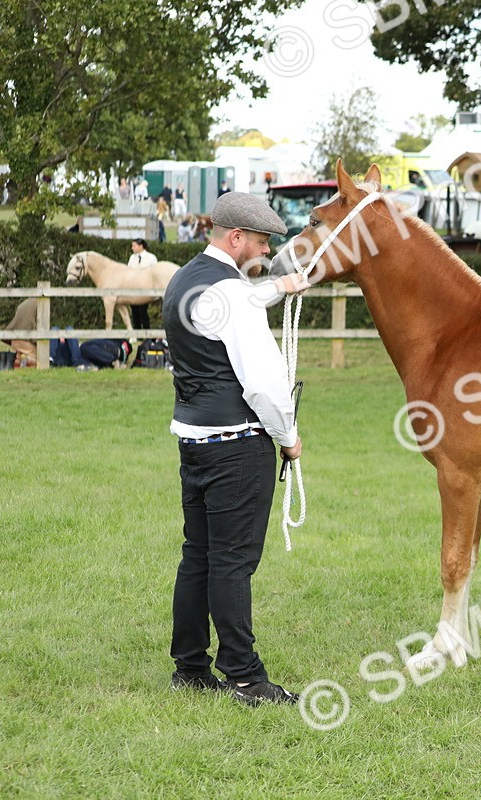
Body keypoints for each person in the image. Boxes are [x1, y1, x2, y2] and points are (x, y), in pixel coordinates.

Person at [162, 191, 310, 706]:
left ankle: (190, 667)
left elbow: (238, 301)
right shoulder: (234, 294)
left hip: (194, 440)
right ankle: (246, 677)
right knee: (232, 562)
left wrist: (281, 286)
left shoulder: (186, 279)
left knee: (198, 556)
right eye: (262, 243)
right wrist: (288, 439)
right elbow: (265, 385)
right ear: (236, 238)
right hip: (238, 445)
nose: (265, 253)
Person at [128, 239, 160, 329]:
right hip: (133, 289)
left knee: (143, 311)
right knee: (134, 312)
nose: (132, 248)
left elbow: (156, 273)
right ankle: (138, 334)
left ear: (140, 246)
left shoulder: (151, 258)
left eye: (134, 246)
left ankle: (147, 333)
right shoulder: (132, 258)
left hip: (146, 289)